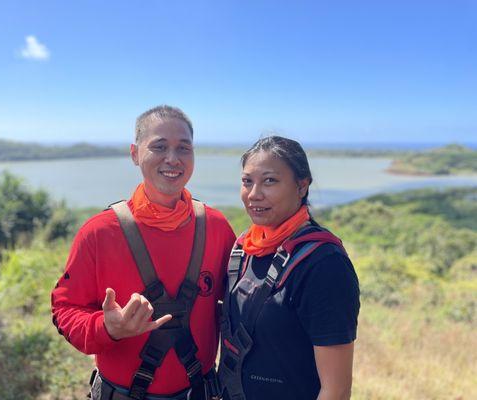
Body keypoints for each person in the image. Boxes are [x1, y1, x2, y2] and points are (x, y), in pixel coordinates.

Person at [51, 105, 236, 400]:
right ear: (135, 153)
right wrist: (106, 327)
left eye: (183, 148)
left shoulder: (215, 227)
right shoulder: (100, 232)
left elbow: (244, 301)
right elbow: (64, 310)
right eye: (159, 147)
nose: (172, 159)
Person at [218, 136, 360, 400]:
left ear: (302, 185)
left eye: (270, 180)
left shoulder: (323, 264)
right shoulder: (242, 250)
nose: (254, 194)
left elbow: (336, 390)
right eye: (247, 181)